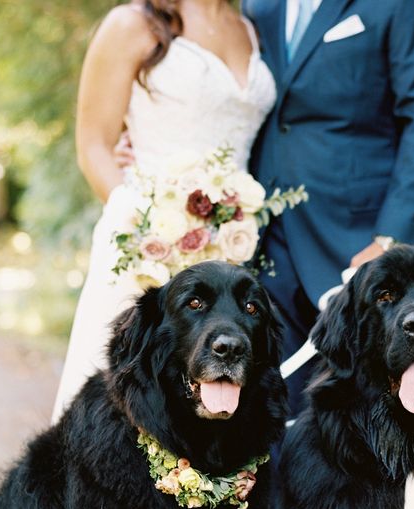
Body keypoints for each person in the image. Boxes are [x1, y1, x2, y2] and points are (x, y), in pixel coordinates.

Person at [51, 0, 276, 422]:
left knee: (216, 406)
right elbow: (94, 145)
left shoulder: (253, 24)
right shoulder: (133, 23)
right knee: (120, 400)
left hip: (235, 249)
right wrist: (147, 229)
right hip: (145, 249)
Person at [243, 0, 414, 413]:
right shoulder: (257, 5)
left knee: (370, 422)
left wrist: (393, 237)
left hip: (362, 244)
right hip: (263, 242)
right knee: (268, 414)